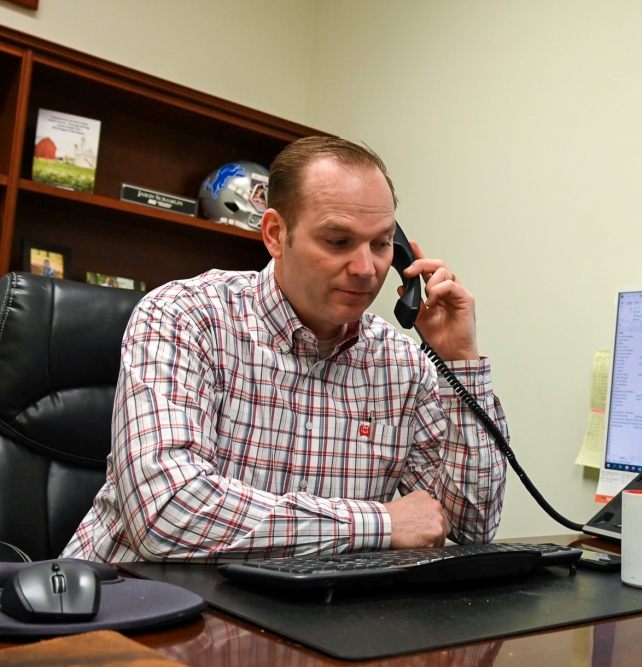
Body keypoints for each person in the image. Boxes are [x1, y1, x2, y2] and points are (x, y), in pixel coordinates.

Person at [63, 136, 508, 562]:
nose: (366, 269)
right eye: (338, 242)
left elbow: (469, 527)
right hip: (126, 609)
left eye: (380, 244)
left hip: (296, 620)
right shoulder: (185, 316)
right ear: (276, 234)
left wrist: (460, 362)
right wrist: (380, 524)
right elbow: (167, 514)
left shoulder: (403, 363)